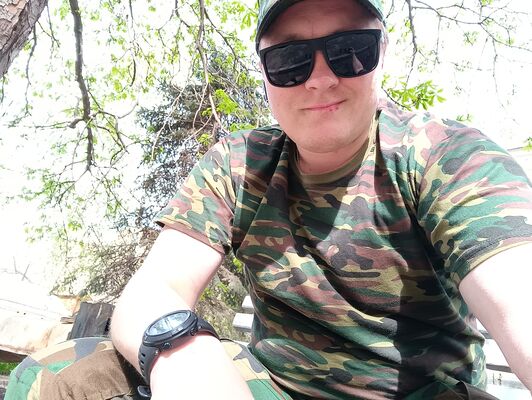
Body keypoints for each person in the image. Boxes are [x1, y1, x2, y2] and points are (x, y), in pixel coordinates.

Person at [5, 0, 532, 399]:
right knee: (59, 378)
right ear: (264, 71)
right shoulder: (240, 164)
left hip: (422, 393)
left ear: (382, 55)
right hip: (272, 387)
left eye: (351, 50)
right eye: (290, 60)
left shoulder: (449, 157)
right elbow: (158, 286)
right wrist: (183, 354)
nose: (320, 79)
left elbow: (519, 295)